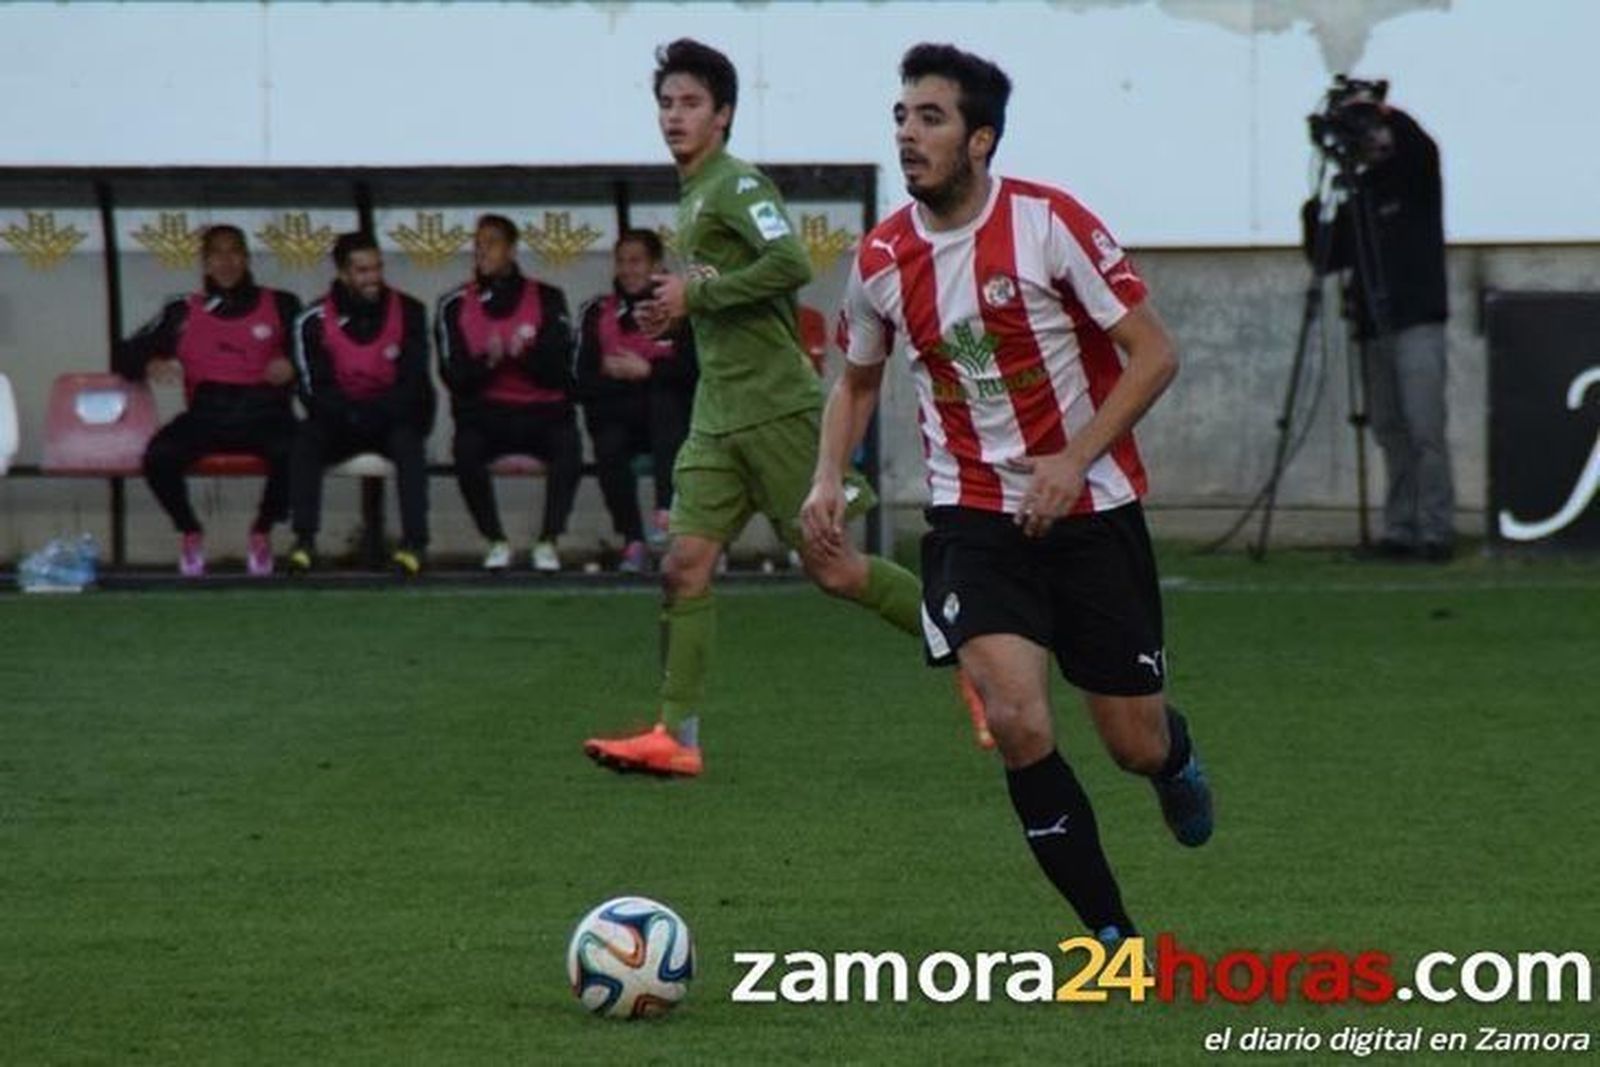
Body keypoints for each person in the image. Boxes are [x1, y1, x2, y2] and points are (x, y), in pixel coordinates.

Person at [802, 43, 1213, 945]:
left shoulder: (1049, 224)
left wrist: (1072, 459)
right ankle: (1111, 937)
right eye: (902, 117)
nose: (908, 135)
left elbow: (1155, 353)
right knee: (1017, 720)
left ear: (980, 138)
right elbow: (858, 380)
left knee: (1132, 742)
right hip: (972, 518)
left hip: (1091, 510)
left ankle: (1173, 758)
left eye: (932, 118)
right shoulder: (882, 257)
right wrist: (828, 475)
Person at [583, 38, 986, 778]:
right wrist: (680, 313)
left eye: (691, 103)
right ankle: (678, 737)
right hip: (717, 415)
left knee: (836, 572)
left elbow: (791, 264)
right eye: (666, 103)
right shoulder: (694, 194)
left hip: (775, 409)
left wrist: (698, 294)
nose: (674, 116)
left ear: (723, 114)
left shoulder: (737, 184)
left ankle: (975, 655)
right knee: (683, 566)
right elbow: (723, 291)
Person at [1303, 88, 1454, 561]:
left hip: (1416, 321)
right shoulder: (1359, 195)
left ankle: (1436, 530)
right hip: (1371, 327)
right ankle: (1400, 528)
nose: (1371, 143)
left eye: (1374, 133)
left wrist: (1379, 110)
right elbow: (1328, 258)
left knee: (1425, 427)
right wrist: (1314, 212)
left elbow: (1420, 145)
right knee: (1390, 429)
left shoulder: (1414, 177)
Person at [113, 224, 301, 577]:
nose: (226, 262)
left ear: (246, 258)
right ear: (204, 262)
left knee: (298, 450)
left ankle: (262, 531)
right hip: (207, 414)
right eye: (216, 254)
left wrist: (292, 366)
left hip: (265, 412)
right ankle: (190, 531)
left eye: (234, 252)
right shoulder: (182, 309)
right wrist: (148, 363)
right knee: (159, 456)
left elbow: (314, 356)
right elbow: (123, 353)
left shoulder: (281, 304)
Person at [436, 214, 580, 571]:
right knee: (466, 448)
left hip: (542, 413)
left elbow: (563, 374)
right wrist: (488, 362)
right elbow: (454, 377)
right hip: (488, 415)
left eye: (492, 243)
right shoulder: (452, 304)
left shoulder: (547, 298)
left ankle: (548, 540)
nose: (482, 251)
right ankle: (496, 540)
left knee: (568, 443)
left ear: (512, 250)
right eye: (478, 244)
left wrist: (525, 356)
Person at [287, 231, 434, 575]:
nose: (373, 278)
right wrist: (352, 415)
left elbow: (413, 382)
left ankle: (415, 544)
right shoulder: (311, 320)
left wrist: (375, 413)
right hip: (341, 422)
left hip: (390, 420)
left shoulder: (410, 311)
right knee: (305, 439)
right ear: (342, 273)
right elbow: (312, 389)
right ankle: (304, 541)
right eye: (362, 270)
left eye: (377, 268)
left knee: (409, 442)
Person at [574, 229, 698, 572]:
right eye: (621, 262)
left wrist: (648, 371)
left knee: (664, 401)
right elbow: (581, 380)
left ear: (656, 265)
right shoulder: (595, 312)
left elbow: (694, 371)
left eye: (636, 261)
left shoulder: (681, 310)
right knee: (608, 443)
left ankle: (666, 510)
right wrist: (619, 375)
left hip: (675, 423)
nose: (627, 270)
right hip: (619, 418)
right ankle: (633, 541)